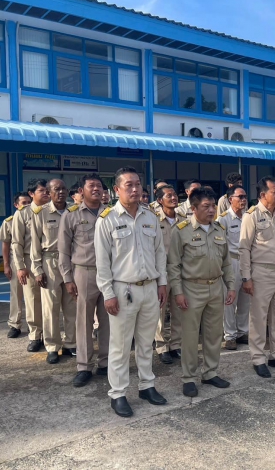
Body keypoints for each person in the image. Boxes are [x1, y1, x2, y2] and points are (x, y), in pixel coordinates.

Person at [94, 167, 168, 418]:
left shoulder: (150, 217)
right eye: (129, 185)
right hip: (123, 289)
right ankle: (118, 394)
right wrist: (108, 293)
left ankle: (147, 386)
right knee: (121, 345)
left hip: (149, 288)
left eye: (138, 184)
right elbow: (102, 262)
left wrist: (162, 283)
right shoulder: (107, 220)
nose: (135, 189)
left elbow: (159, 253)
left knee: (146, 343)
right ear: (116, 190)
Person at [167, 188, 236, 397]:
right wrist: (178, 292)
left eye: (213, 206)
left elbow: (226, 262)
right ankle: (188, 378)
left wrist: (231, 286)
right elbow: (173, 265)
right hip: (191, 289)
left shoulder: (219, 229)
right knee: (189, 336)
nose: (212, 210)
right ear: (194, 208)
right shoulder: (181, 231)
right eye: (206, 206)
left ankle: (210, 372)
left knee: (214, 334)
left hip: (215, 287)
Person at [239, 176, 275, 378]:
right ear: (263, 195)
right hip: (261, 272)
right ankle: (258, 358)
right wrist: (246, 277)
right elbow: (244, 249)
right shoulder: (252, 216)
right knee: (258, 317)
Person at [58, 173, 110, 387]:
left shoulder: (111, 213)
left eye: (99, 186)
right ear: (81, 191)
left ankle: (106, 363)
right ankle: (84, 366)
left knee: (109, 320)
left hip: (110, 274)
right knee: (84, 322)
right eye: (91, 186)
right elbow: (63, 250)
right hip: (85, 273)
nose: (96, 189)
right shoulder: (71, 215)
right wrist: (67, 278)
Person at [30, 179, 77, 364]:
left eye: (64, 188)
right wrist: (37, 269)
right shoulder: (41, 213)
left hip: (72, 261)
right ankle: (52, 346)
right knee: (51, 307)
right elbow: (34, 243)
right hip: (50, 261)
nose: (61, 192)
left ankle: (71, 343)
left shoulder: (74, 211)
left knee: (72, 305)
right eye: (57, 189)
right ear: (49, 193)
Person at [12, 178, 50, 352]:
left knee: (51, 301)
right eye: (42, 190)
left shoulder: (53, 211)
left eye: (47, 190)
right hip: (29, 261)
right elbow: (16, 242)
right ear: (31, 193)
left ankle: (51, 334)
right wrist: (20, 267)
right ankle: (35, 335)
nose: (46, 193)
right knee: (32, 300)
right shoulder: (23, 213)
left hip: (49, 259)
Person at [153, 185, 186, 365]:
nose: (174, 198)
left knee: (178, 309)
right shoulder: (154, 219)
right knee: (160, 310)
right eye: (169, 196)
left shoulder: (183, 219)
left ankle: (176, 344)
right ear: (160, 200)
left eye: (174, 195)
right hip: (161, 270)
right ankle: (161, 346)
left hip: (179, 270)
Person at [217, 185, 251, 350]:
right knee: (230, 300)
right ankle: (230, 335)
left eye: (245, 197)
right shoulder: (223, 219)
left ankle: (242, 332)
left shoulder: (249, 217)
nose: (243, 200)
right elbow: (219, 246)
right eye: (240, 197)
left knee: (246, 298)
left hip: (248, 261)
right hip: (231, 262)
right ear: (231, 199)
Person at [0, 192, 30, 339]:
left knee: (34, 296)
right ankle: (15, 324)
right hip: (16, 262)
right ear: (16, 205)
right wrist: (6, 265)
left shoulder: (35, 218)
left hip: (32, 261)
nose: (27, 205)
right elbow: (6, 244)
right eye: (23, 203)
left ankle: (35, 325)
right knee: (16, 293)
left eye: (29, 202)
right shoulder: (9, 222)